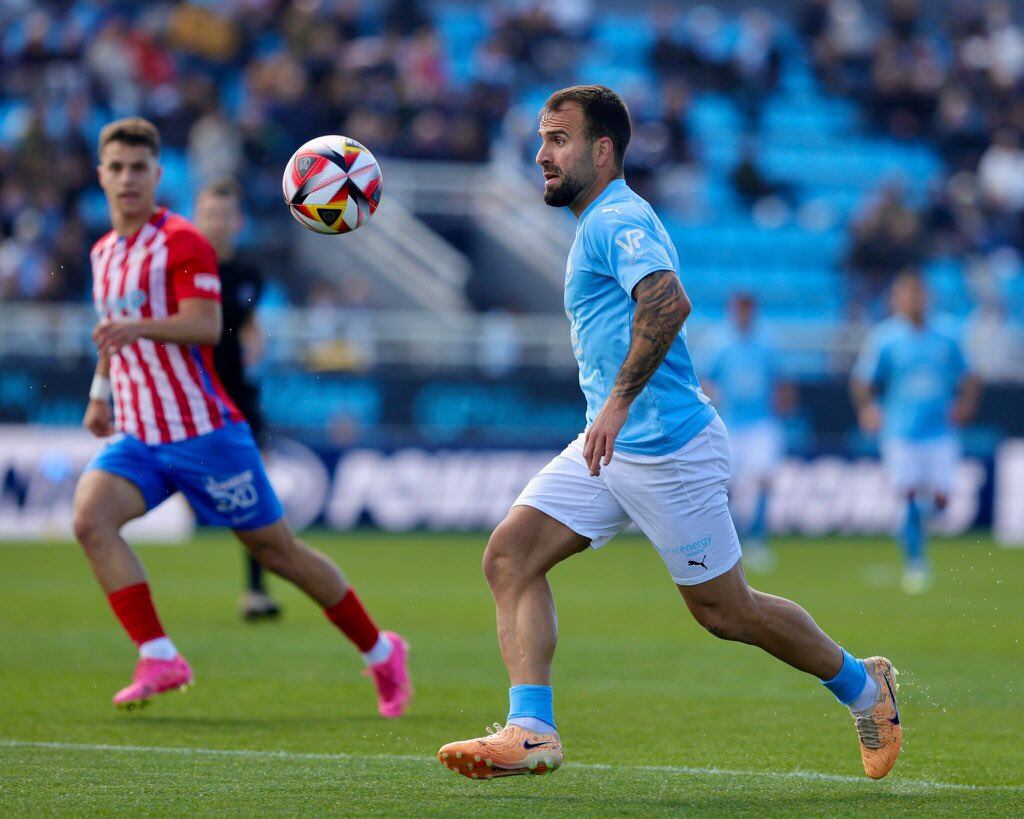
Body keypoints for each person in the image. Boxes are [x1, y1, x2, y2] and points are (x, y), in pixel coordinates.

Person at [437, 86, 901, 781]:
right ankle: (532, 729)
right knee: (510, 556)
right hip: (611, 448)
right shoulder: (599, 219)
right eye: (541, 138)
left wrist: (618, 403)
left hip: (666, 449)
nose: (541, 153)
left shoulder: (616, 217)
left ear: (602, 150)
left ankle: (864, 685)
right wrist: (612, 414)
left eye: (558, 139)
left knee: (727, 612)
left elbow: (668, 300)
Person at [73, 117, 412, 716]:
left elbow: (206, 325)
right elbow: (112, 333)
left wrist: (138, 328)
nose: (127, 179)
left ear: (158, 175)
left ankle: (381, 650)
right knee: (90, 520)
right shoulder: (103, 253)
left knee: (277, 553)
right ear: (101, 175)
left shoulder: (182, 241)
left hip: (206, 434)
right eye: (117, 168)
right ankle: (158, 655)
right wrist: (101, 393)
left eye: (139, 168)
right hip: (141, 435)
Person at [851, 273, 980, 593]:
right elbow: (862, 380)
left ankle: (919, 527)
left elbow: (970, 376)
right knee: (907, 494)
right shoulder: (885, 338)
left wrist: (965, 404)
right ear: (897, 299)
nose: (913, 300)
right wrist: (868, 408)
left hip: (940, 433)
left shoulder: (948, 333)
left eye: (918, 294)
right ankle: (916, 563)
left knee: (941, 501)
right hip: (901, 434)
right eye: (907, 295)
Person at [193, 179, 280, 620]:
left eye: (225, 215)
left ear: (238, 222)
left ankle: (256, 589)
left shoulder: (249, 274)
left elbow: (244, 324)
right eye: (210, 214)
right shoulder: (182, 267)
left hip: (237, 398)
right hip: (188, 398)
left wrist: (253, 338)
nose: (217, 223)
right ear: (197, 217)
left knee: (256, 493)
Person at [704, 293, 789, 571]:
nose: (742, 315)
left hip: (761, 423)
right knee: (728, 485)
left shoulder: (767, 343)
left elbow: (781, 380)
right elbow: (704, 380)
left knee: (764, 480)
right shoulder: (717, 342)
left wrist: (782, 403)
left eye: (747, 310)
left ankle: (758, 540)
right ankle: (731, 543)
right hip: (729, 424)